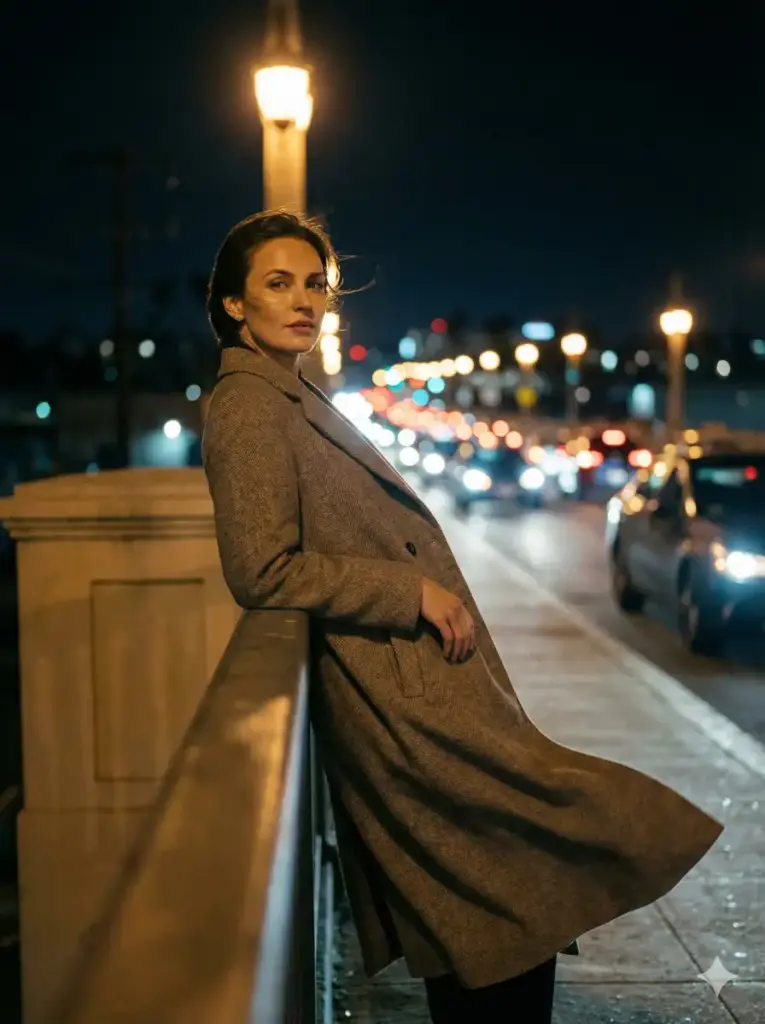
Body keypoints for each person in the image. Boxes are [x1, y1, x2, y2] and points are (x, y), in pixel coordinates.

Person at [202, 210, 723, 1024]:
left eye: (315, 285)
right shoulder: (246, 406)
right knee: (506, 893)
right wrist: (407, 592)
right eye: (277, 284)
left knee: (499, 908)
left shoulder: (289, 393)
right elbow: (261, 568)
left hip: (419, 693)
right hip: (402, 711)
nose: (303, 302)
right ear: (234, 304)